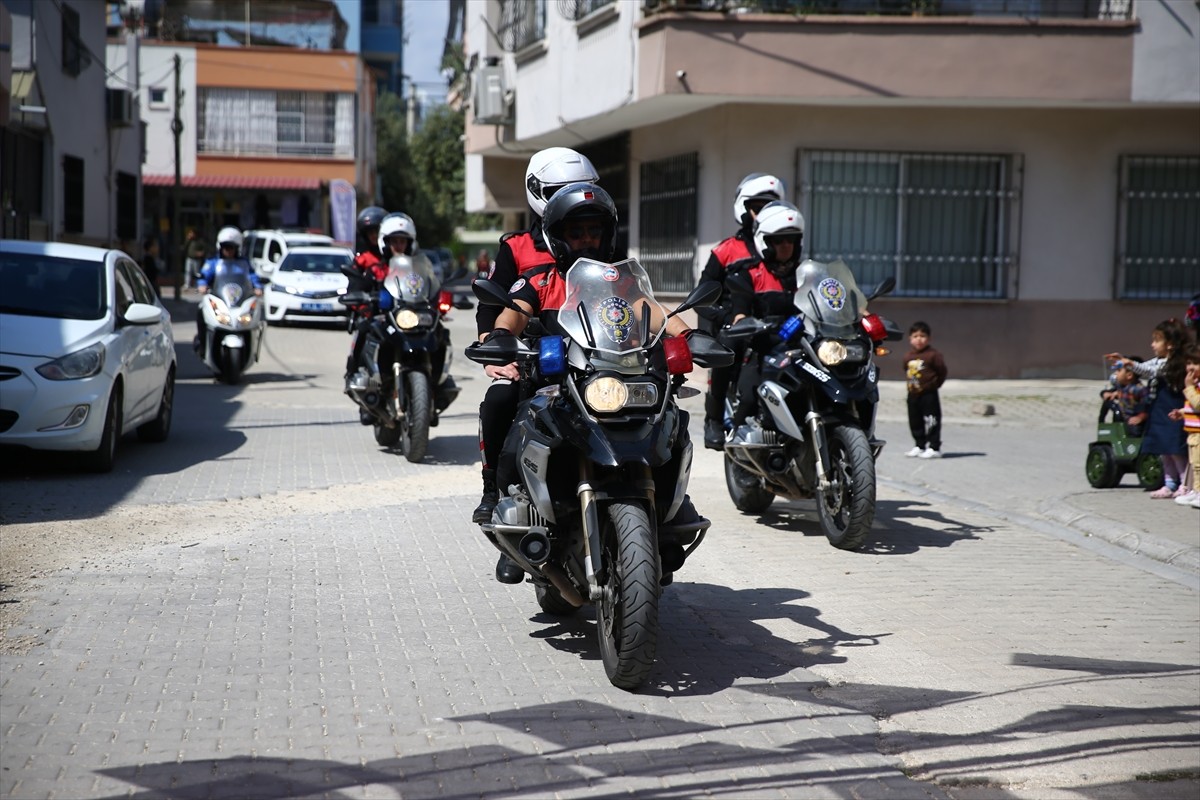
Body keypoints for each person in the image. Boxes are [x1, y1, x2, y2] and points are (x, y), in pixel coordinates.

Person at [484, 182, 696, 584]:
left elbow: (655, 313)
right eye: (576, 232)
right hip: (557, 386)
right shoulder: (542, 280)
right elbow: (511, 314)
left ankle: (668, 508)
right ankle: (505, 506)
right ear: (558, 237)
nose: (586, 239)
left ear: (606, 234)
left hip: (612, 386)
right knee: (516, 419)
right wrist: (500, 336)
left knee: (670, 421)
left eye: (593, 231)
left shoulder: (621, 283)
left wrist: (688, 336)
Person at [472, 147, 600, 526]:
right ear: (538, 191)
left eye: (580, 188)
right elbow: (492, 304)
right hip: (533, 355)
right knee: (500, 399)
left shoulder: (598, 241)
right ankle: (494, 488)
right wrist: (493, 349)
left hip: (596, 356)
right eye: (561, 189)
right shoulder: (517, 247)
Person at [695, 172, 786, 450]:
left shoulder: (782, 246)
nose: (762, 214)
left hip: (772, 325)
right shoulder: (726, 251)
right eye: (758, 207)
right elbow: (702, 297)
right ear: (744, 208)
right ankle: (713, 419)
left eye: (769, 207)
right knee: (728, 344)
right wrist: (727, 318)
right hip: (735, 325)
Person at [723, 200, 805, 444]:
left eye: (790, 240)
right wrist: (746, 323)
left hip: (802, 349)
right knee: (748, 396)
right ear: (765, 243)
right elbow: (739, 312)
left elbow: (830, 299)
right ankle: (729, 432)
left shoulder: (806, 273)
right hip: (764, 348)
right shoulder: (749, 274)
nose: (785, 246)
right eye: (779, 241)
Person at [1106, 318, 1190, 498]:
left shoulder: (1173, 363)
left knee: (1176, 449)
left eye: (1157, 340)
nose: (1152, 344)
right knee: (1163, 450)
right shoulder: (1158, 360)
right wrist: (1124, 363)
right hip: (1158, 411)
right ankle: (1169, 484)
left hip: (1172, 409)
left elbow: (1149, 371)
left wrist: (1129, 363)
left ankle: (1185, 484)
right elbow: (1144, 367)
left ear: (1171, 344)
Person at [194, 227, 262, 358]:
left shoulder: (244, 263)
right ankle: (203, 345)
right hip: (219, 299)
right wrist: (202, 285)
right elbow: (204, 275)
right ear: (220, 247)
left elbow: (253, 277)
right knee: (200, 311)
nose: (228, 251)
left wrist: (258, 287)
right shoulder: (213, 262)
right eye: (225, 247)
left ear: (238, 248)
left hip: (238, 302)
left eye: (231, 247)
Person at [903, 321, 948, 459]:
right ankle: (919, 445)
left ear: (929, 338)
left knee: (931, 420)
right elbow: (906, 370)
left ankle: (934, 447)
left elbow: (942, 371)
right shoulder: (908, 357)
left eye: (922, 336)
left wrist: (934, 385)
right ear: (910, 339)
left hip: (929, 394)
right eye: (915, 336)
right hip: (913, 394)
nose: (919, 339)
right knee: (914, 420)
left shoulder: (933, 355)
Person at [1170, 345, 1200, 508]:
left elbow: (1198, 403)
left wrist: (1188, 387)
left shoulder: (1195, 387)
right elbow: (1193, 408)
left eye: (1195, 363)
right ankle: (1195, 491)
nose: (1190, 367)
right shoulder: (1195, 386)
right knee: (1195, 464)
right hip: (1193, 433)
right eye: (1188, 363)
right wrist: (1181, 413)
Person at [1100, 356, 1148, 434]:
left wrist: (1140, 417)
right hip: (1122, 417)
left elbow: (1148, 406)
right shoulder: (1120, 386)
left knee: (1134, 431)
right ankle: (1102, 424)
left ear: (1129, 375)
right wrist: (1105, 393)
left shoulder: (1139, 389)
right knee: (1110, 405)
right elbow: (1108, 392)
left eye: (1119, 370)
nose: (1115, 373)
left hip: (1134, 420)